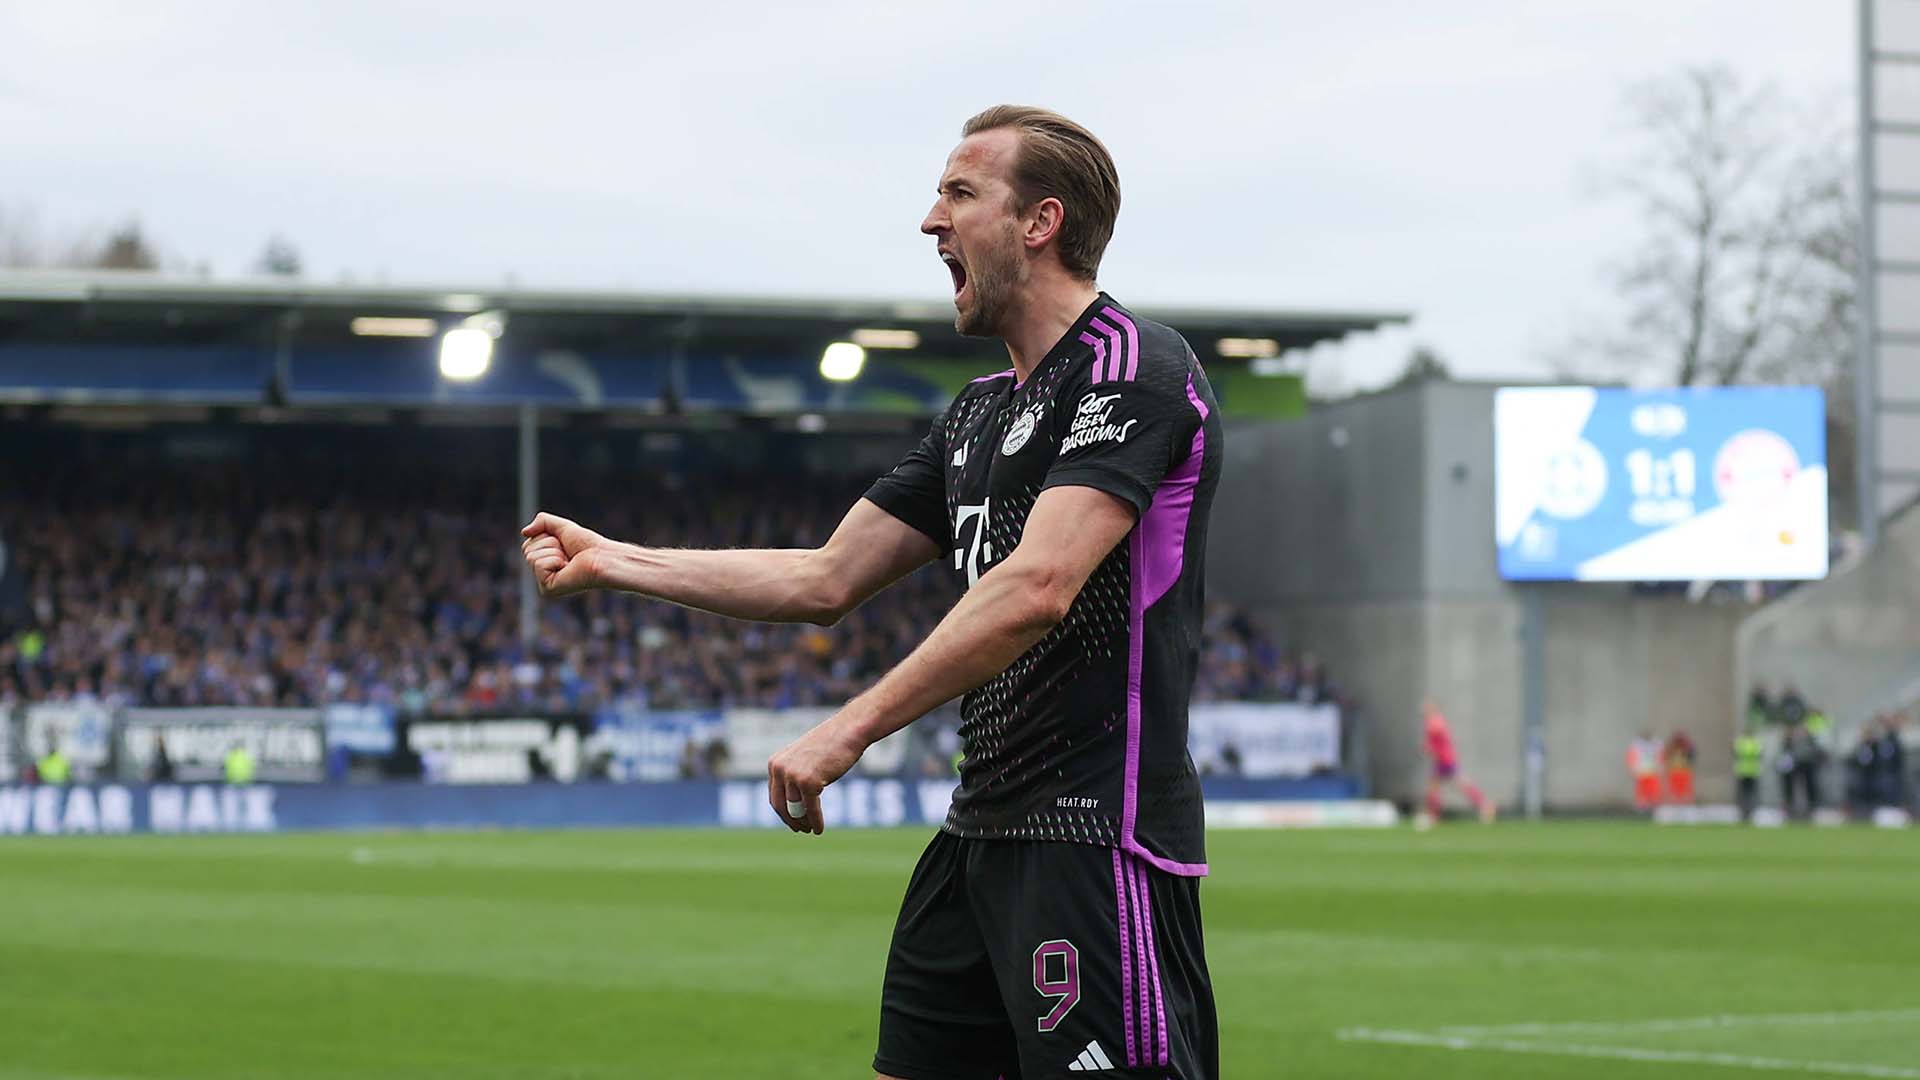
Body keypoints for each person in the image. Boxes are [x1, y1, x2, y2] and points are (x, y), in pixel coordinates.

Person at [520, 105, 1222, 1079]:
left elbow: (1038, 586)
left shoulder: (1133, 369)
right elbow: (824, 578)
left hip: (1093, 841)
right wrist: (614, 560)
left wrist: (849, 725)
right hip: (976, 839)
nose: (930, 221)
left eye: (958, 193)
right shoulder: (980, 411)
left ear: (1039, 222)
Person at [1419, 700, 1494, 825]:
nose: (1423, 709)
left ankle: (1485, 806)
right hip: (1443, 759)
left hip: (1445, 760)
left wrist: (1428, 747)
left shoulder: (1434, 722)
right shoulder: (1435, 721)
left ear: (1432, 708)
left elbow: (1437, 741)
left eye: (1426, 707)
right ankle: (1434, 816)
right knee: (1439, 787)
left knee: (1457, 785)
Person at [1733, 726, 1765, 821]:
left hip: (1751, 771)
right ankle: (1744, 811)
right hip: (1744, 771)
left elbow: (1737, 753)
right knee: (1745, 793)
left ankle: (1750, 811)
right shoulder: (1747, 742)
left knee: (1750, 793)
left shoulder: (1743, 742)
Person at [1628, 730, 1663, 811]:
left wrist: (1659, 767)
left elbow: (1659, 757)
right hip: (1641, 772)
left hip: (1652, 771)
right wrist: (1633, 768)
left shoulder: (1656, 744)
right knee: (1641, 792)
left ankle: (1653, 807)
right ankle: (1642, 808)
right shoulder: (1636, 745)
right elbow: (1632, 757)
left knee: (1653, 791)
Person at [1662, 730, 1696, 805]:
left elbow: (1692, 757)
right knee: (1674, 791)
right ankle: (1674, 804)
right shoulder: (1671, 748)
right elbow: (1666, 758)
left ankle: (1685, 804)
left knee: (1685, 790)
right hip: (1674, 771)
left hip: (1684, 771)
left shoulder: (1687, 748)